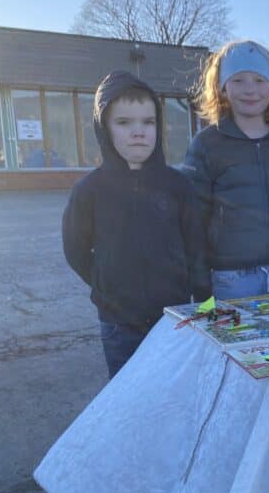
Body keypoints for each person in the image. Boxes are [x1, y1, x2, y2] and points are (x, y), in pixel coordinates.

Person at [62, 71, 206, 379]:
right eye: (124, 122)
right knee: (127, 396)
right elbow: (75, 249)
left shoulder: (177, 186)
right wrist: (107, 284)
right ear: (104, 128)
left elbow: (196, 248)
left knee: (171, 391)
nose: (138, 132)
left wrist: (203, 302)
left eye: (147, 122)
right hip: (119, 323)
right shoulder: (90, 191)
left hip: (173, 318)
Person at [181, 39, 269, 298]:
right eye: (238, 80)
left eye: (260, 80)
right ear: (222, 88)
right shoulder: (206, 145)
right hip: (231, 278)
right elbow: (193, 218)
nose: (250, 90)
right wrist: (200, 280)